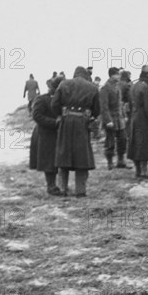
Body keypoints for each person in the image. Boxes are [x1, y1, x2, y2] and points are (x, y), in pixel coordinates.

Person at [52, 66, 100, 197]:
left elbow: (54, 104)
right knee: (82, 157)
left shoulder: (63, 83)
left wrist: (61, 115)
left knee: (63, 155)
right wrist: (90, 117)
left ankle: (62, 189)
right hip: (82, 123)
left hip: (66, 122)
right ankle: (80, 191)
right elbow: (97, 109)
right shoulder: (92, 87)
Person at [29, 77, 64, 196]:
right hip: (44, 134)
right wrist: (54, 122)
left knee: (56, 160)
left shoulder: (62, 100)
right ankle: (51, 186)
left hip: (56, 134)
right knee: (48, 161)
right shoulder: (42, 99)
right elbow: (37, 116)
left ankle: (59, 185)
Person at [127, 65, 148, 179]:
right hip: (144, 120)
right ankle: (145, 171)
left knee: (136, 145)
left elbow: (130, 105)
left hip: (134, 118)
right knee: (144, 146)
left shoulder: (134, 86)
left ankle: (137, 171)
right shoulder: (145, 87)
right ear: (147, 74)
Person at [100, 67, 129, 169]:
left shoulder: (117, 87)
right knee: (110, 142)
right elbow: (104, 106)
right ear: (112, 75)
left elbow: (120, 104)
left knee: (123, 140)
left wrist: (124, 116)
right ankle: (110, 162)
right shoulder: (105, 88)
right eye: (117, 74)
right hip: (111, 118)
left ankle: (121, 162)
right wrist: (108, 120)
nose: (119, 76)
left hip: (119, 118)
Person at [119, 70, 133, 139]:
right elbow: (130, 96)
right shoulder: (127, 84)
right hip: (125, 105)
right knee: (128, 122)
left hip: (117, 105)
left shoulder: (118, 83)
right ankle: (127, 137)